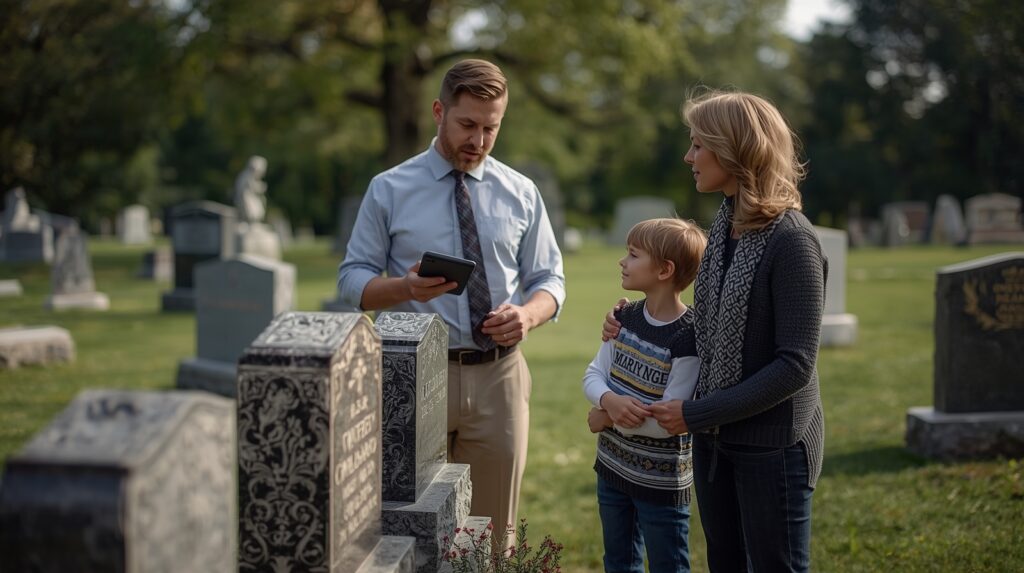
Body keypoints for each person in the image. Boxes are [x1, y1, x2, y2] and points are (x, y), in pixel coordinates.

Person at [337, 59, 565, 536]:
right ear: (439, 111)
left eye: (490, 129)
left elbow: (550, 280)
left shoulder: (521, 192)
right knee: (405, 528)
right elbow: (352, 279)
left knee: (491, 531)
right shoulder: (389, 189)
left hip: (499, 378)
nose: (478, 141)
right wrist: (403, 287)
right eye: (467, 125)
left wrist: (527, 314)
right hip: (413, 375)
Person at [603, 90, 826, 572]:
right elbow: (698, 328)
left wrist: (698, 412)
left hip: (772, 446)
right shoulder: (725, 229)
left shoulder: (793, 242)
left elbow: (795, 366)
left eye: (699, 144)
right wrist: (631, 323)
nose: (689, 156)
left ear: (734, 149)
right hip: (714, 441)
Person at [583, 218, 707, 573]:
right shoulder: (624, 317)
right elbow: (593, 374)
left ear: (665, 270)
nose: (623, 261)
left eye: (633, 255)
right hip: (612, 467)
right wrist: (608, 400)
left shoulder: (687, 337)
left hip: (660, 483)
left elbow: (667, 421)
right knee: (619, 562)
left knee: (668, 564)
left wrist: (605, 417)